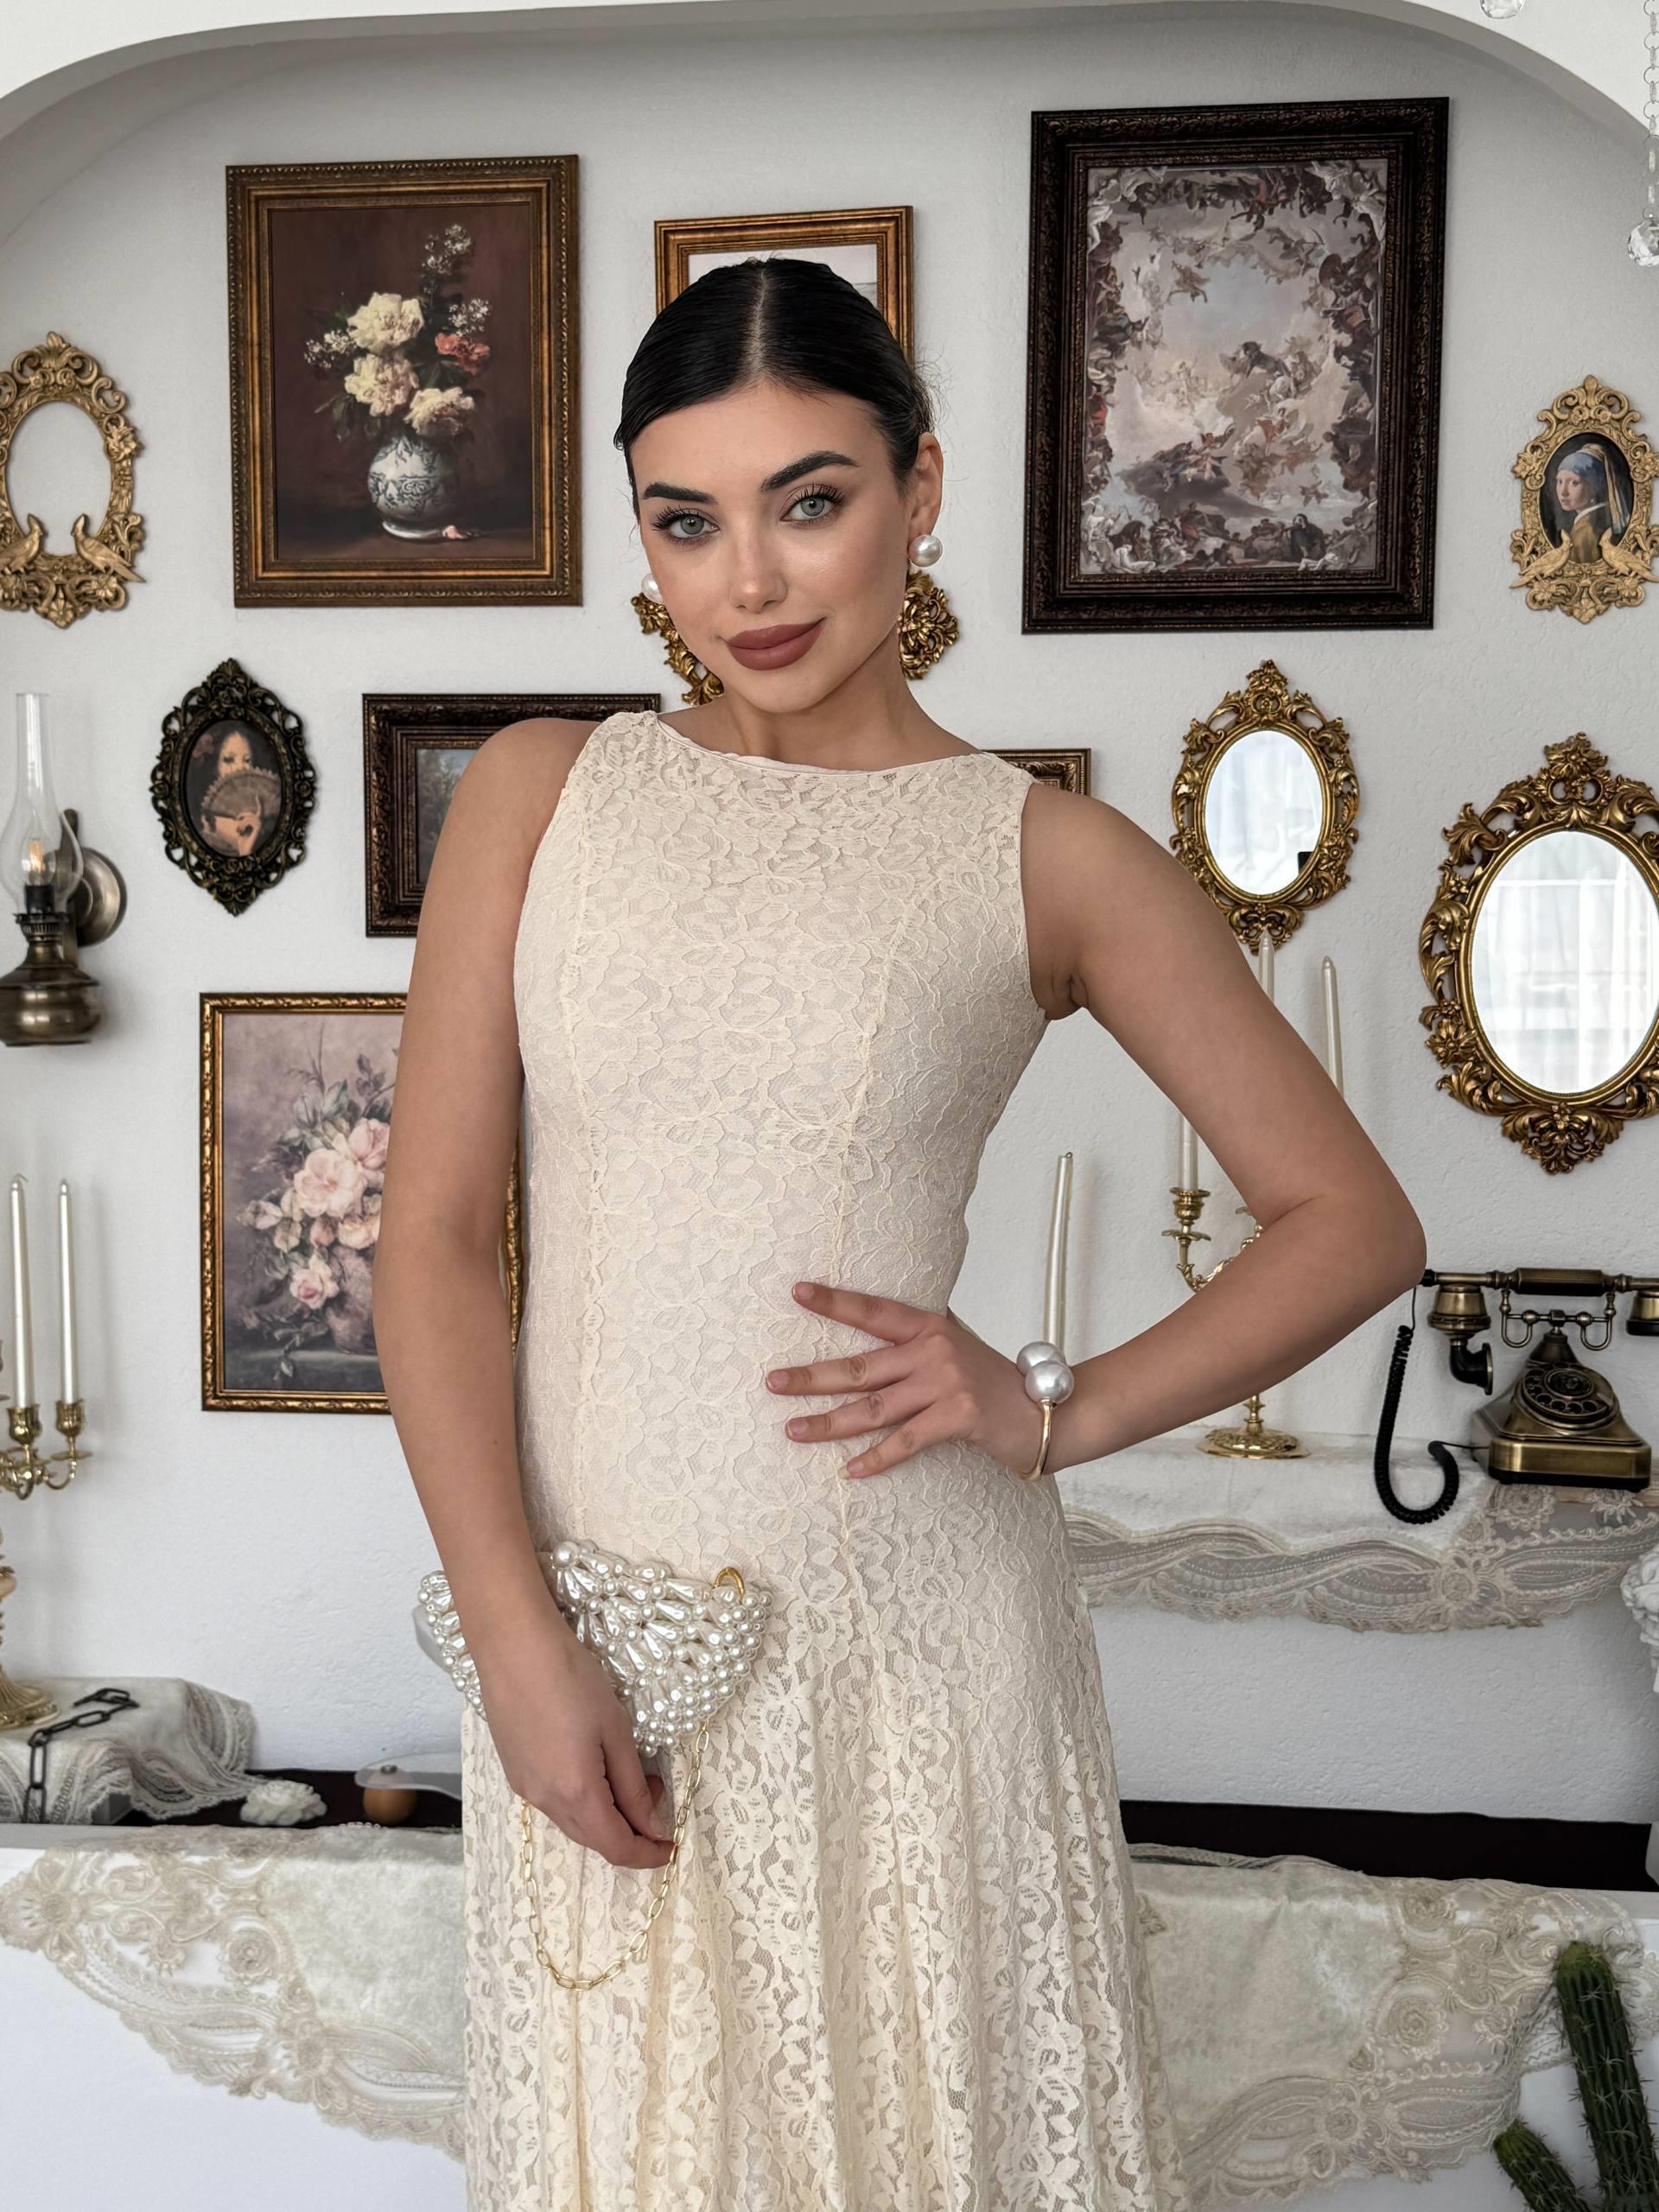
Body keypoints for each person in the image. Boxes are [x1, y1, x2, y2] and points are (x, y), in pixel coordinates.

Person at [372, 255, 1426, 2212]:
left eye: (811, 500)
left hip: (913, 1658)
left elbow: (1351, 1220)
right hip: (596, 1655)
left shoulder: (1042, 852)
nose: (751, 582)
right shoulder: (537, 792)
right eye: (689, 520)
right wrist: (516, 1644)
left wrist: (1053, 1405)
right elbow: (429, 1244)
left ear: (920, 488)